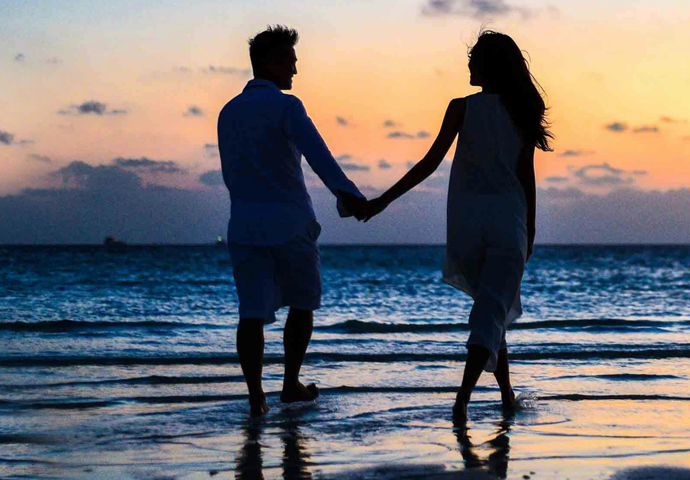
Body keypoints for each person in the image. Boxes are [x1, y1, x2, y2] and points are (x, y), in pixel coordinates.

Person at [354, 30, 551, 424]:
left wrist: (382, 201)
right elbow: (525, 176)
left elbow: (428, 164)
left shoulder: (461, 108)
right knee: (490, 312)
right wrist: (530, 230)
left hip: (467, 228)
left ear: (490, 65)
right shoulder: (521, 109)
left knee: (491, 309)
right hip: (508, 224)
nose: (469, 64)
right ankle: (461, 400)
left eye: (474, 58)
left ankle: (507, 395)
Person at [217, 25, 369, 416]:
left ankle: (256, 397)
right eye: (290, 62)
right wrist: (349, 196)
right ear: (270, 62)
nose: (295, 72)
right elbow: (318, 156)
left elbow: (230, 172)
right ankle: (289, 384)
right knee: (302, 304)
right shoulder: (288, 107)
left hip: (245, 225)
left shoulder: (227, 112)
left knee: (251, 313)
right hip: (290, 223)